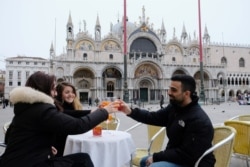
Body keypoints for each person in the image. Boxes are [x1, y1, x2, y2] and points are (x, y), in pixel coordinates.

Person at [0, 71, 116, 167]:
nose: (55, 94)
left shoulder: (25, 108)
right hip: (31, 164)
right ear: (44, 89)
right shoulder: (42, 109)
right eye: (53, 89)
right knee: (83, 160)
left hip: (12, 161)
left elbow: (9, 137)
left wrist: (44, 148)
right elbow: (78, 125)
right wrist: (105, 111)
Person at [117, 74, 215, 167]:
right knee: (144, 161)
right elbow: (153, 117)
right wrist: (130, 111)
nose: (168, 92)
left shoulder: (198, 120)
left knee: (154, 165)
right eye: (169, 88)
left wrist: (156, 157)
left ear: (187, 94)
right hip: (178, 155)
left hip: (194, 162)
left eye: (174, 90)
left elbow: (186, 154)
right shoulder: (175, 107)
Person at [54, 81, 92, 156]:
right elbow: (66, 114)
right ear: (60, 94)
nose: (71, 95)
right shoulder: (56, 106)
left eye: (72, 92)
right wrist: (90, 112)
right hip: (61, 147)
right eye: (67, 92)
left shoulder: (74, 105)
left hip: (73, 142)